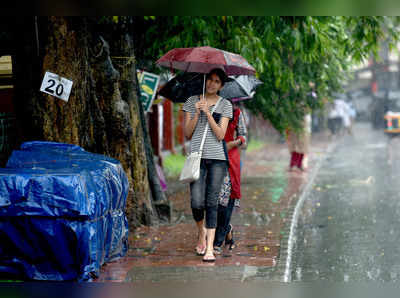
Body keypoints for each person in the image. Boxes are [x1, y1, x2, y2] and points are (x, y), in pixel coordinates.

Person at [182, 68, 233, 262]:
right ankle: (200, 232)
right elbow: (187, 133)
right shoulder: (191, 101)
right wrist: (197, 111)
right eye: (210, 80)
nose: (212, 84)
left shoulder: (225, 105)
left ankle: (210, 248)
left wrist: (209, 114)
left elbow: (220, 135)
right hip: (197, 157)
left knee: (212, 202)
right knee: (196, 201)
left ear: (221, 85)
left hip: (218, 159)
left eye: (216, 81)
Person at [213, 102, 247, 254]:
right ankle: (227, 229)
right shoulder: (209, 110)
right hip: (211, 157)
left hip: (230, 159)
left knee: (226, 202)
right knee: (213, 201)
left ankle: (217, 242)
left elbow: (244, 137)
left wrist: (233, 143)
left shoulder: (237, 113)